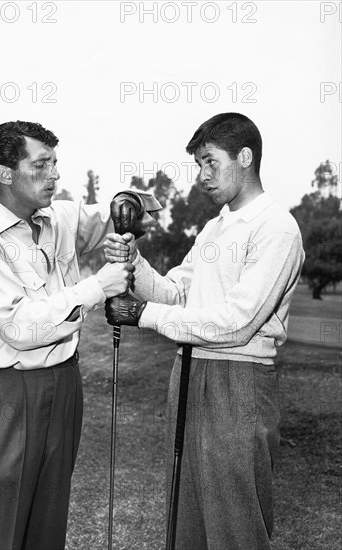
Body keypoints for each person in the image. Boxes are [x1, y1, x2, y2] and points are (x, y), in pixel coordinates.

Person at [0, 120, 161, 550]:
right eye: (41, 165)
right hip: (8, 390)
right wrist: (100, 285)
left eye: (55, 164)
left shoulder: (59, 217)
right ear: (5, 173)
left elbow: (141, 211)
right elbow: (21, 327)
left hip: (65, 383)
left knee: (47, 521)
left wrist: (127, 212)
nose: (54, 175)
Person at [104, 113, 305, 550]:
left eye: (211, 162)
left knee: (235, 525)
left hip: (239, 381)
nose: (203, 176)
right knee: (186, 519)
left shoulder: (277, 228)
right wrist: (134, 263)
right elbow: (177, 293)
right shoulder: (216, 227)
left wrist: (141, 315)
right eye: (199, 164)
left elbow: (237, 323)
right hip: (190, 373)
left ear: (245, 158)